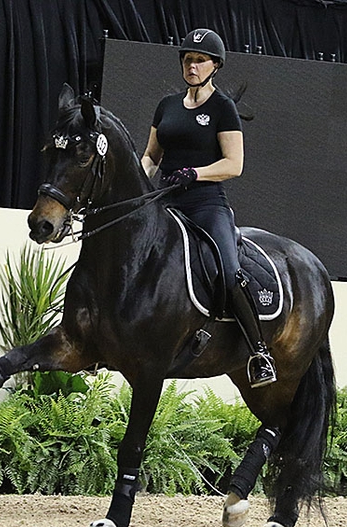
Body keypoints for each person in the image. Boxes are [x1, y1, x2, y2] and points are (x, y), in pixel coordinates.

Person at [141, 28, 276, 388]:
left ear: (215, 65)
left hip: (205, 203)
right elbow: (152, 157)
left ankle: (259, 352)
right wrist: (138, 188)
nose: (192, 66)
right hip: (165, 200)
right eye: (188, 60)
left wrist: (195, 173)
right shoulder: (167, 106)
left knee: (228, 271)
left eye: (200, 60)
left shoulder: (222, 108)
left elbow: (234, 164)